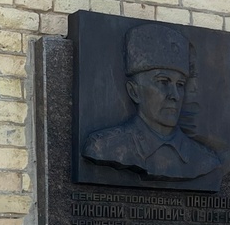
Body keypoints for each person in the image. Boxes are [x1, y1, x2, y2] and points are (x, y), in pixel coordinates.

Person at [82, 23, 221, 181]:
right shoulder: (103, 148)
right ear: (134, 92)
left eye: (180, 85)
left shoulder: (204, 160)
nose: (175, 95)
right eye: (163, 82)